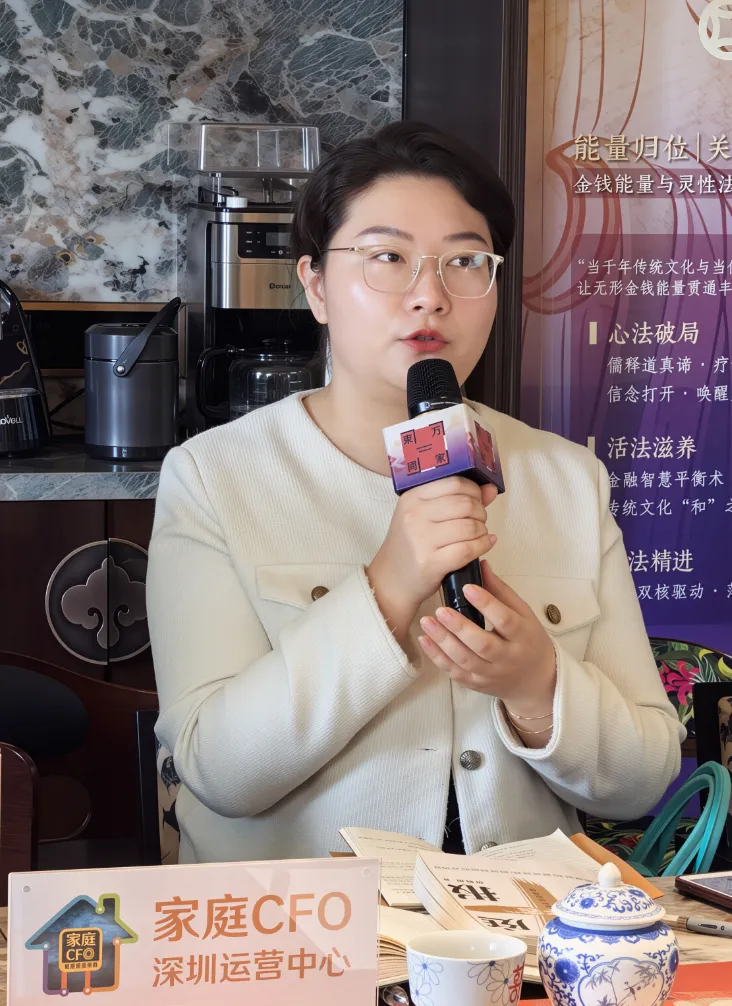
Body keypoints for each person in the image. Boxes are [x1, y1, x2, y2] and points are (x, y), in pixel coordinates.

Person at [146, 121, 684, 864]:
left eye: (465, 261)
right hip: (311, 926)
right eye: (387, 258)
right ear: (315, 285)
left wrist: (538, 687)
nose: (430, 296)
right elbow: (217, 774)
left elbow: (643, 780)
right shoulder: (215, 476)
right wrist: (389, 585)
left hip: (517, 925)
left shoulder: (568, 478)